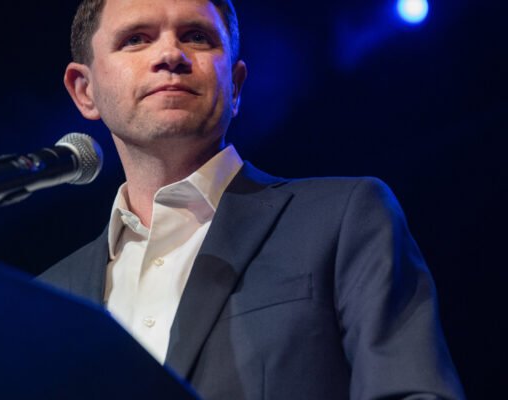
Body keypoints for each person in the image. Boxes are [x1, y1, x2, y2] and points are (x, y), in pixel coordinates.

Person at [39, 0, 466, 398]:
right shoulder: (44, 297)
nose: (170, 55)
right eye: (136, 39)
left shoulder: (342, 219)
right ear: (84, 90)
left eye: (197, 37)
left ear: (236, 85)